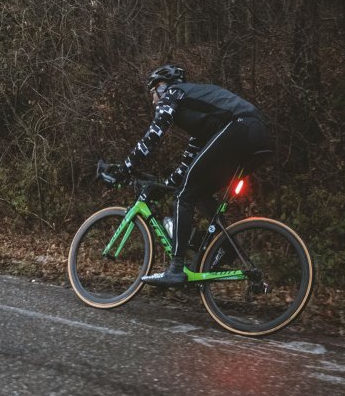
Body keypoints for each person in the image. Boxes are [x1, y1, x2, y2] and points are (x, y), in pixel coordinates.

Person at [105, 63, 272, 287]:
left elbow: (153, 135)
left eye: (153, 93)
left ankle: (176, 267)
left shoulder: (173, 94)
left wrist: (125, 167)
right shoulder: (202, 118)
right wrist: (165, 185)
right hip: (257, 138)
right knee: (196, 190)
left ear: (162, 86)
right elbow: (189, 162)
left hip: (241, 129)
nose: (153, 100)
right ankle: (228, 244)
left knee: (185, 194)